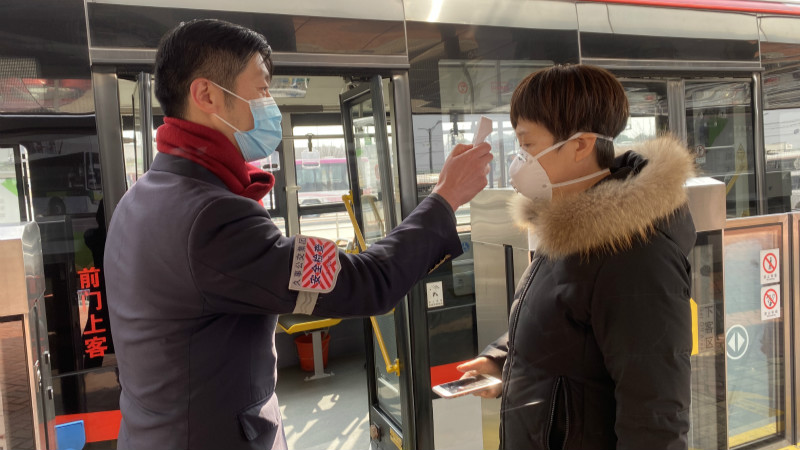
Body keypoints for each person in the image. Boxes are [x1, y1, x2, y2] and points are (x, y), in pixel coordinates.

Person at [103, 19, 492, 450]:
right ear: (206, 95)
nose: (270, 105)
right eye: (261, 89)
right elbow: (365, 284)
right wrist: (445, 198)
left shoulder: (141, 197)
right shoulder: (212, 218)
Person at [457, 65, 696, 450]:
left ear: (581, 145)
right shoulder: (569, 226)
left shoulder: (635, 255)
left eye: (527, 145)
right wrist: (502, 360)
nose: (519, 160)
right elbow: (565, 325)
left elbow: (655, 418)